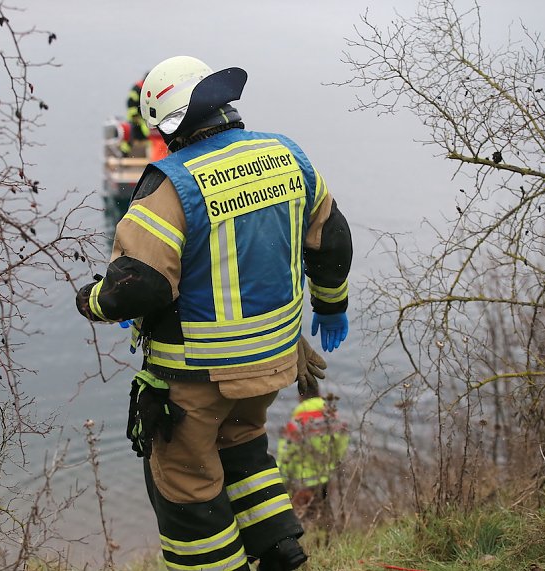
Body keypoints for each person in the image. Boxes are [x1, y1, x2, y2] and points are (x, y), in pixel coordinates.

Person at [76, 55, 353, 571]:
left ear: (166, 124)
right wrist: (331, 305)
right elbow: (331, 238)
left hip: (196, 376)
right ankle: (282, 553)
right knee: (243, 447)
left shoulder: (171, 185)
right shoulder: (286, 155)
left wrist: (92, 299)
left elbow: (140, 288)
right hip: (272, 363)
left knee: (186, 481)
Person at [276, 360, 350, 525]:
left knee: (302, 518)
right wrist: (333, 462)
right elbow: (342, 442)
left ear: (300, 396)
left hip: (301, 481)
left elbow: (285, 455)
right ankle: (326, 538)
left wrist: (283, 481)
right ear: (319, 392)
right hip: (325, 475)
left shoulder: (296, 424)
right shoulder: (333, 418)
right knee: (323, 512)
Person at [119, 73, 150, 156]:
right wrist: (135, 116)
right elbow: (130, 103)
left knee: (147, 134)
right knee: (131, 133)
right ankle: (124, 153)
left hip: (143, 118)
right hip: (135, 117)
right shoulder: (137, 88)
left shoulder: (147, 89)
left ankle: (149, 154)